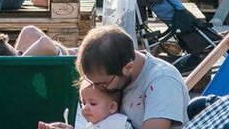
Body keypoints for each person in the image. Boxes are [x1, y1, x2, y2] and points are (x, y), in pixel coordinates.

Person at [41, 25, 187, 129]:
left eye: (102, 83)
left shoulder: (163, 81)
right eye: (91, 82)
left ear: (128, 67)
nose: (96, 88)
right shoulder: (117, 76)